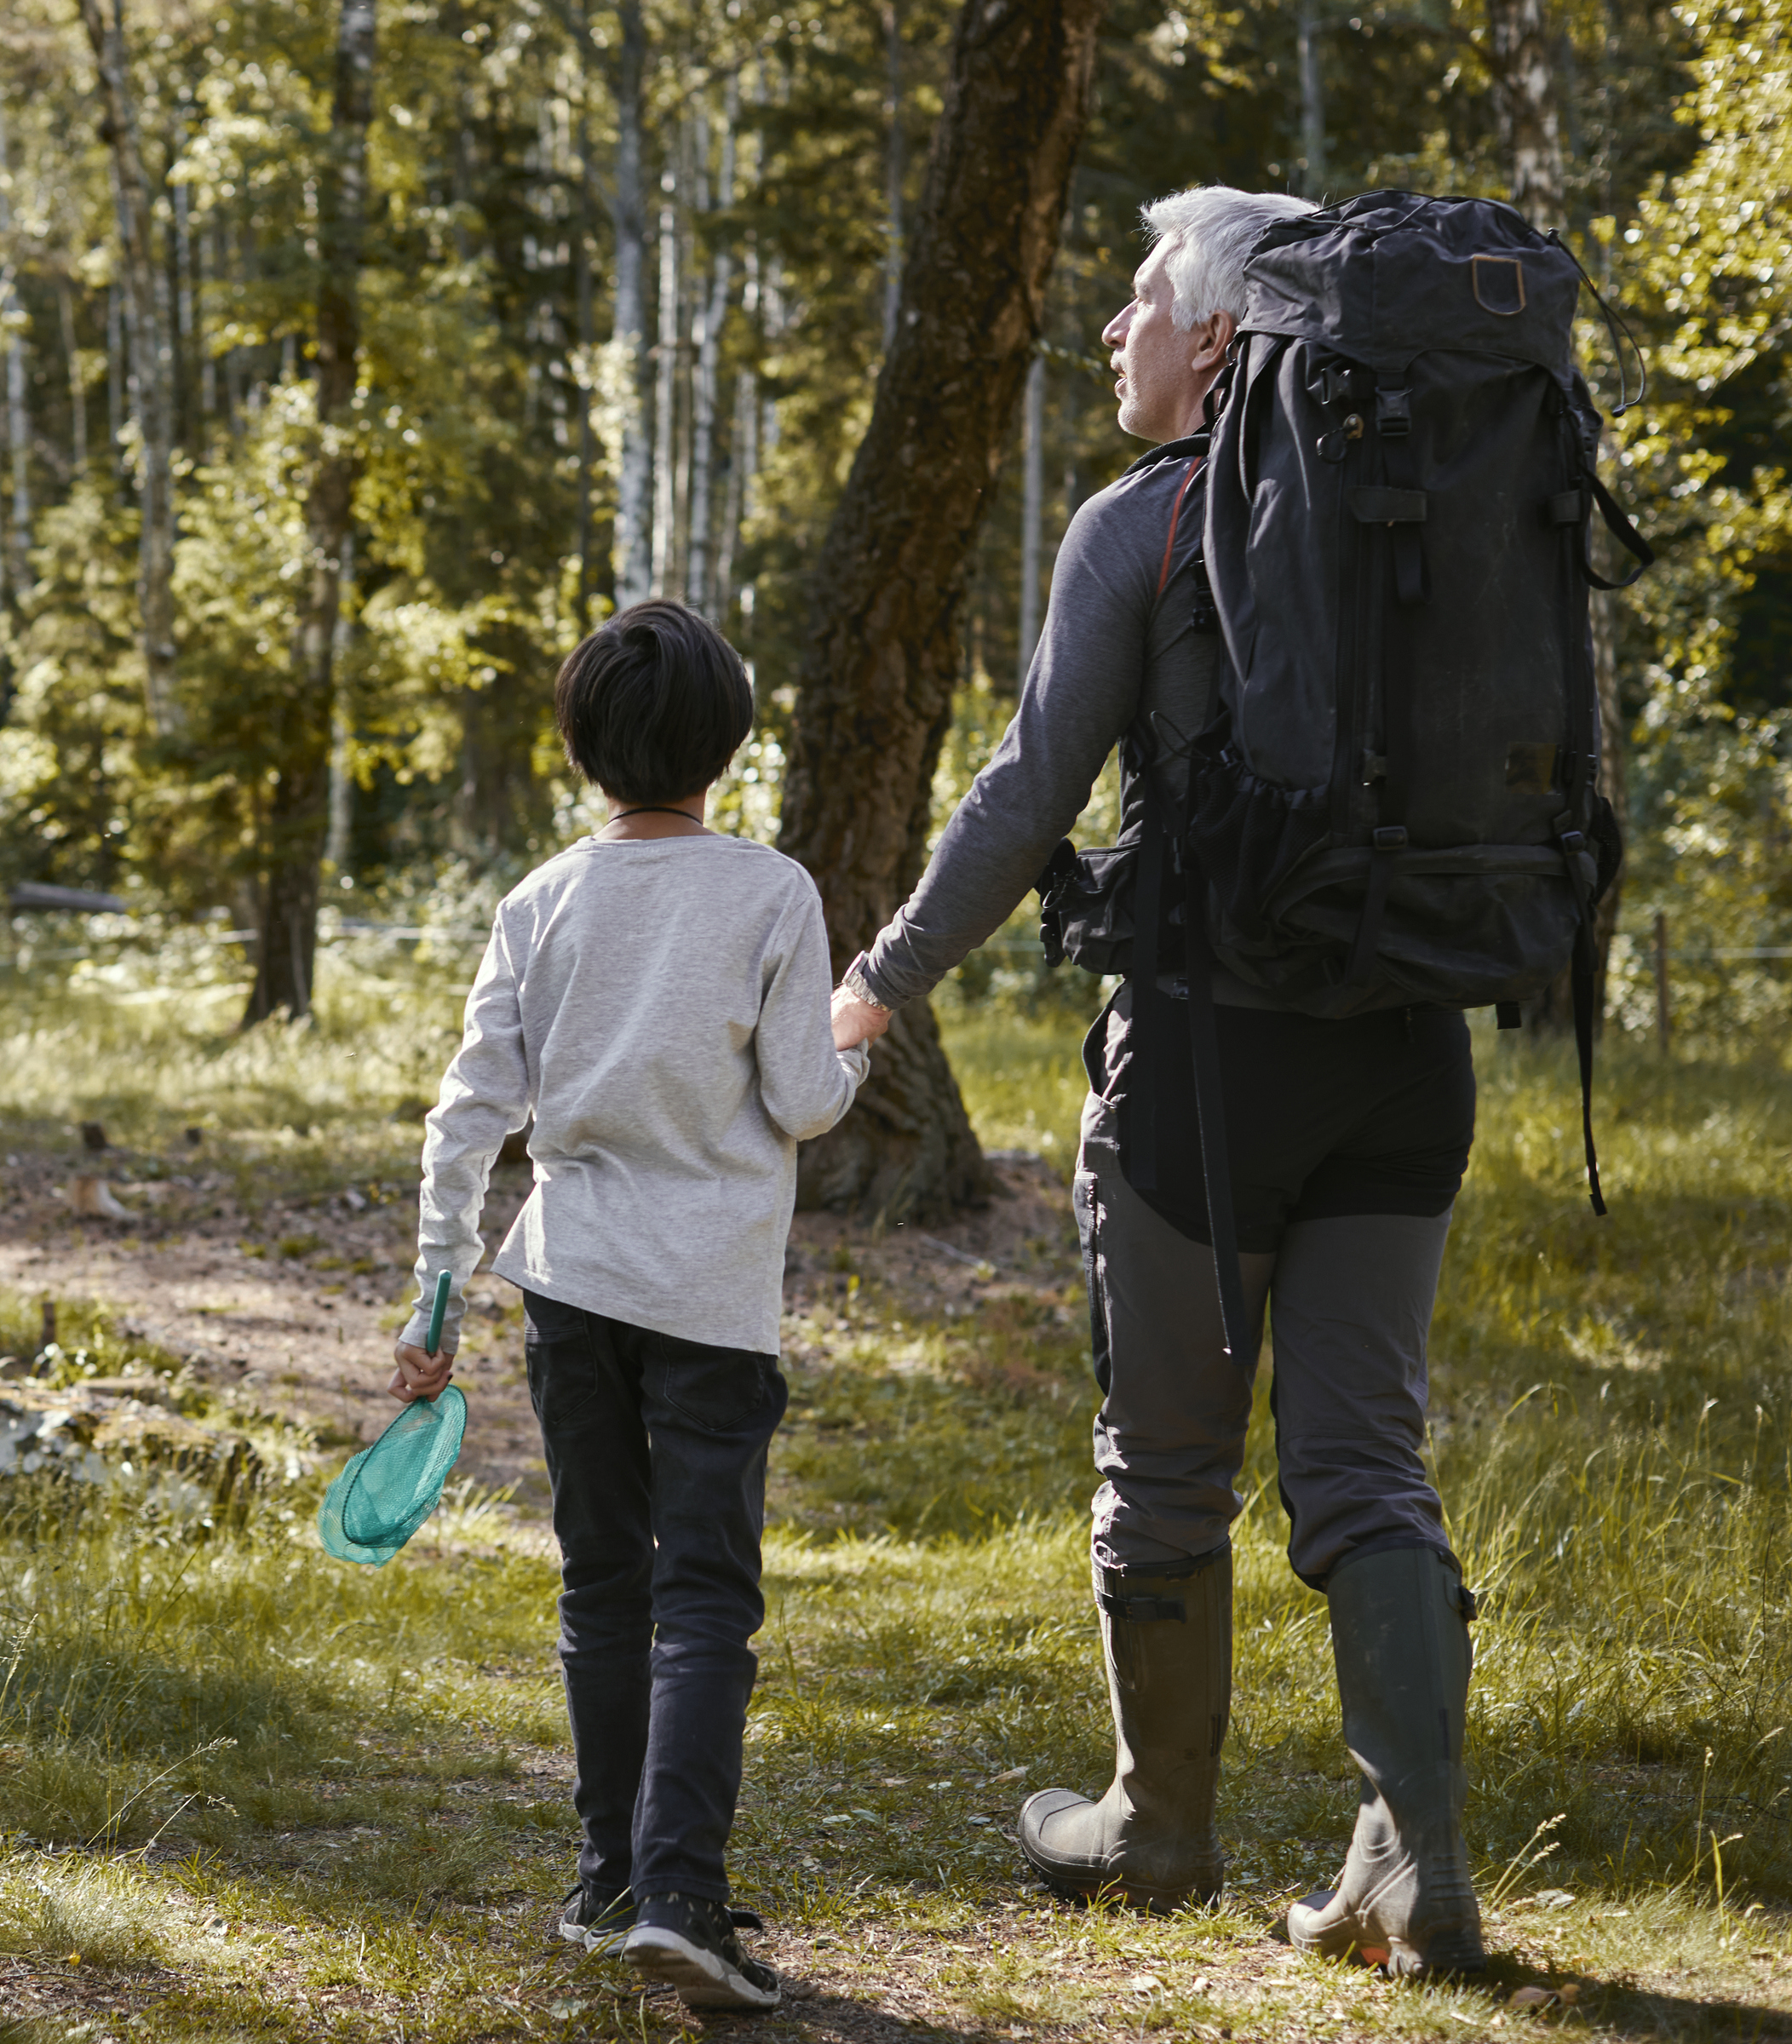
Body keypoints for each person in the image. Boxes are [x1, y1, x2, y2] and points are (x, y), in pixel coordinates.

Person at [831, 186, 1490, 1977]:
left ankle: (1156, 1830)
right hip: (1411, 1052)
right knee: (1368, 1464)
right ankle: (1417, 1864)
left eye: (1142, 301)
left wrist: (877, 985)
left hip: (1208, 1066)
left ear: (1219, 338)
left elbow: (1028, 792)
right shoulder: (1419, 513)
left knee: (1169, 1459)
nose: (1111, 329)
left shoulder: (1146, 520)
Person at [393, 600, 876, 2014]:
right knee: (705, 1594)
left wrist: (436, 1300)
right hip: (712, 1298)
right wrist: (853, 1034)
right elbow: (799, 1100)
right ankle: (679, 1895)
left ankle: (608, 1878)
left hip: (571, 1291)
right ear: (727, 739)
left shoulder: (540, 900)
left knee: (604, 1577)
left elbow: (467, 1116)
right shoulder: (773, 892)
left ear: (584, 744)